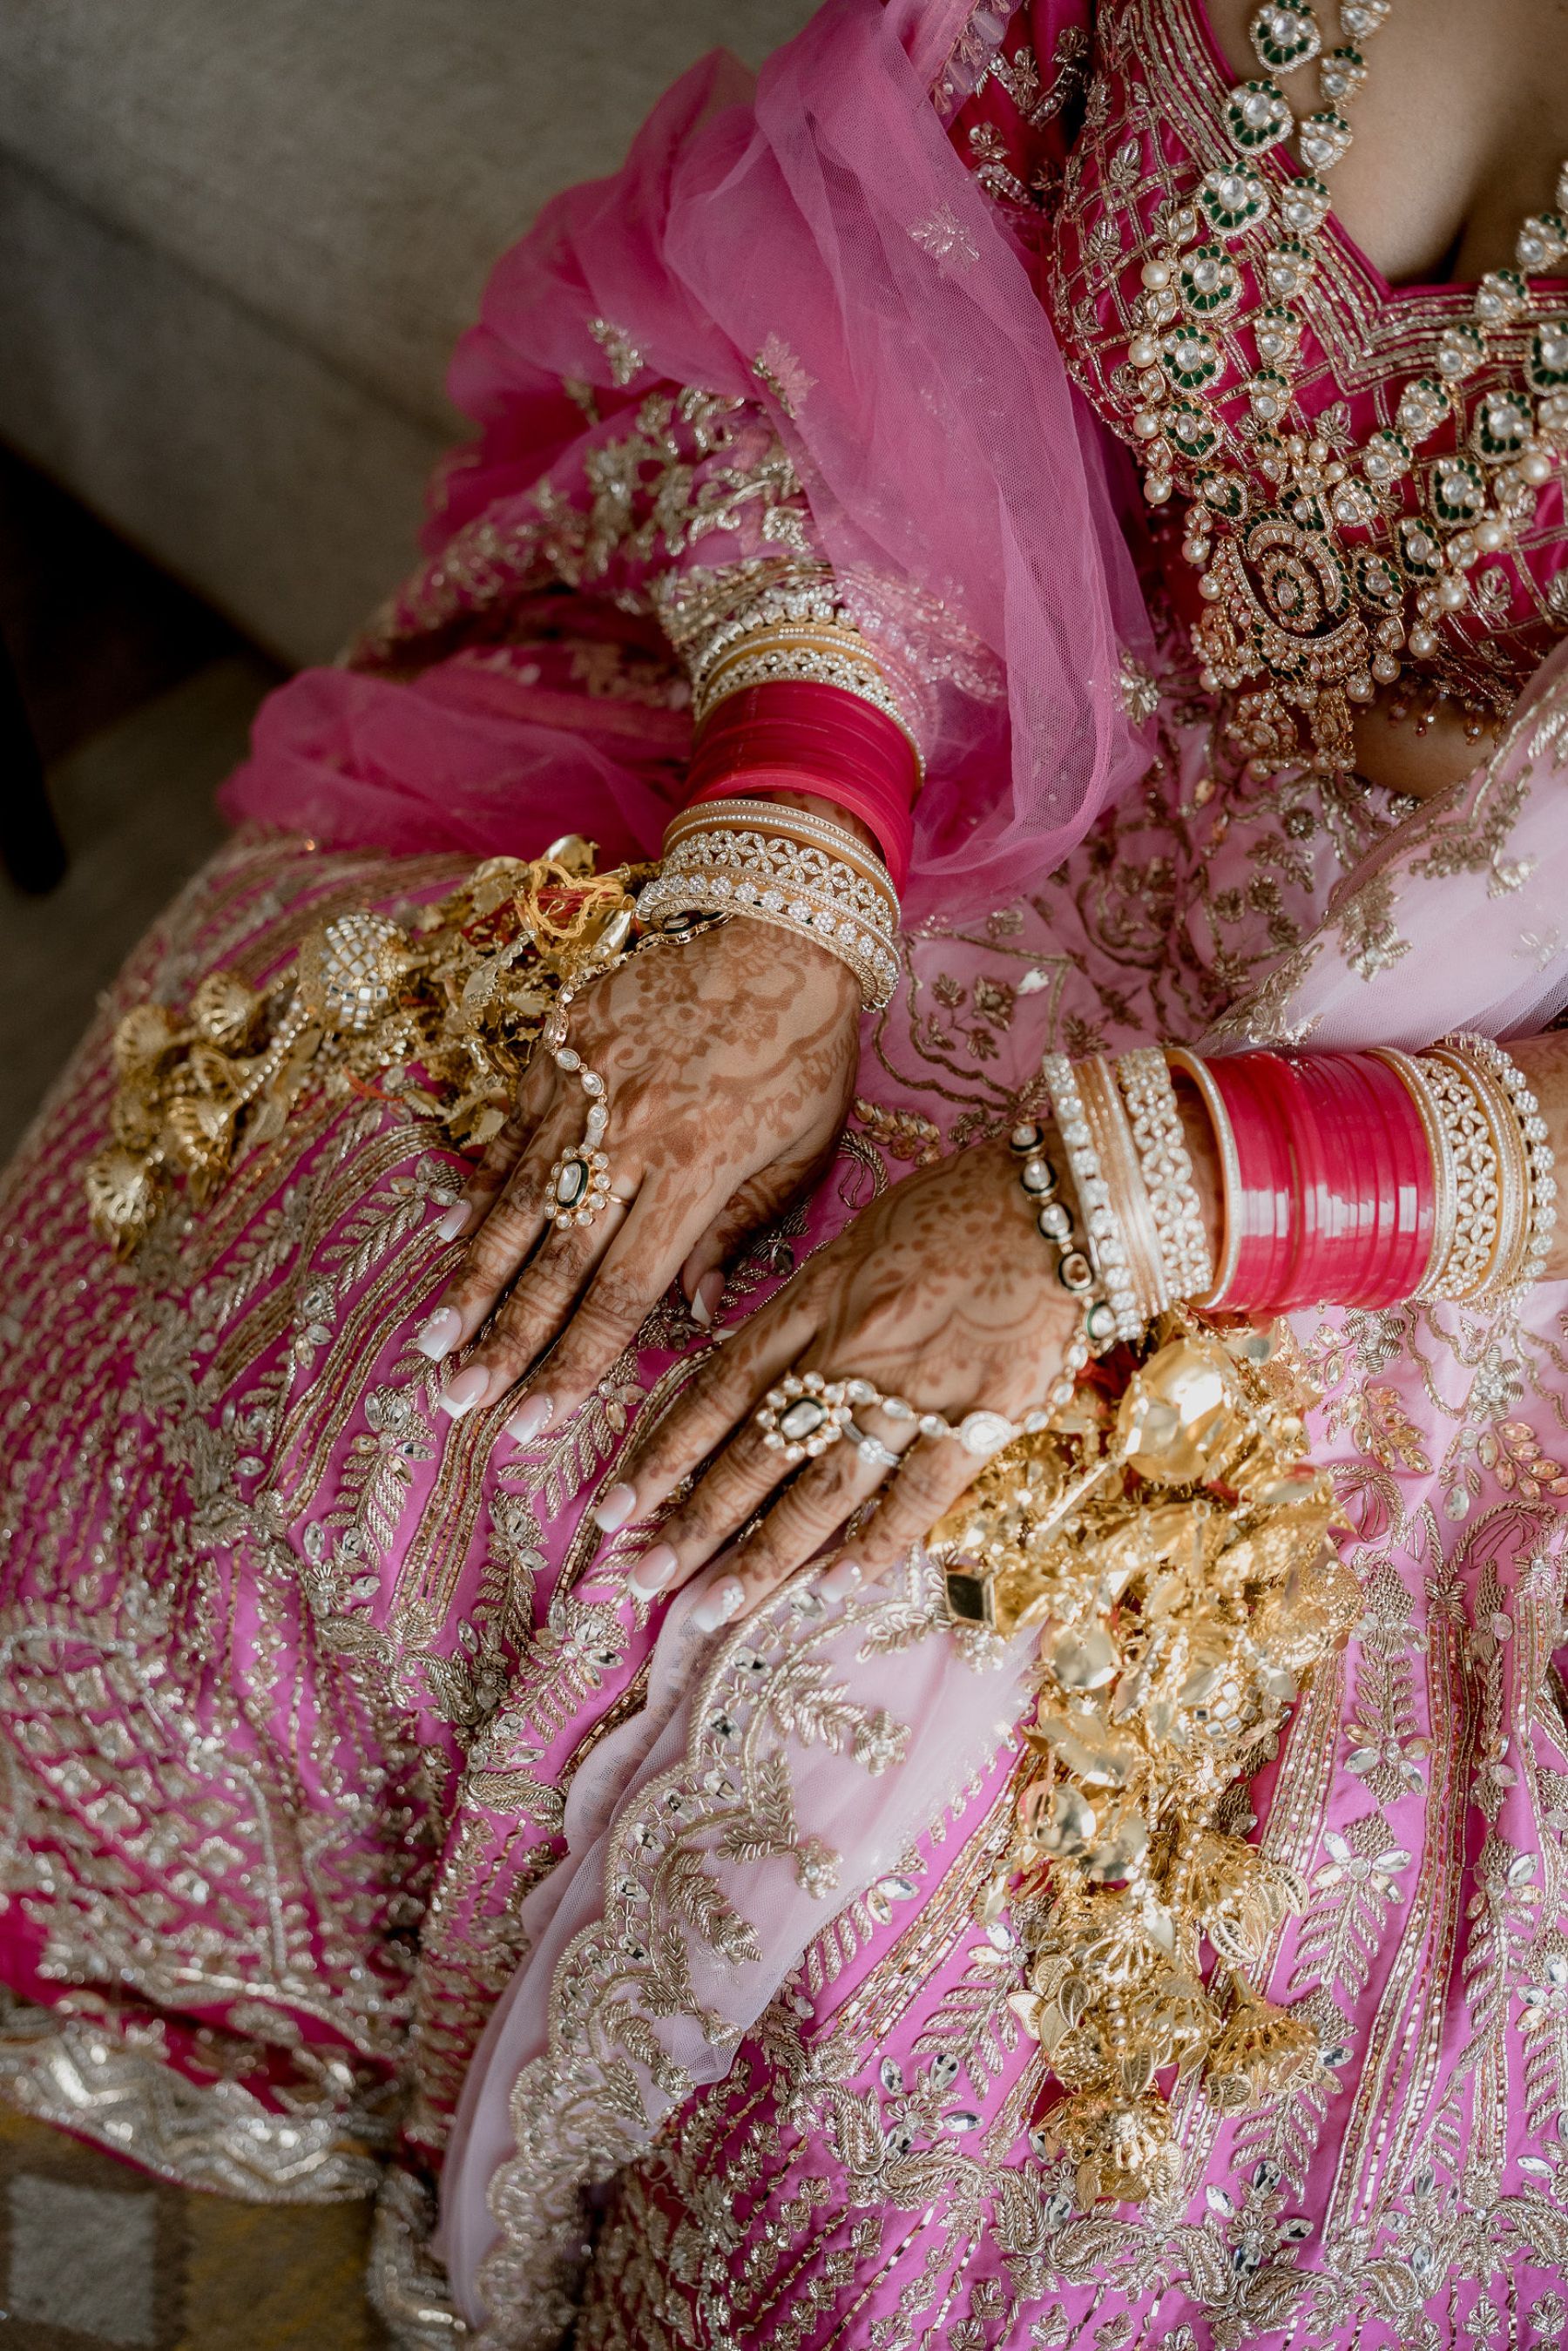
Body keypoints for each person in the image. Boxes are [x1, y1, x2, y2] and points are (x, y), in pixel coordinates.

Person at [3, 0, 1568, 2342]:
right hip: (1004, 768)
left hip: (1445, 1152)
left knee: (1014, 1985)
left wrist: (1147, 1192)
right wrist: (790, 863)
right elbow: (853, 292)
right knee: (347, 1328)